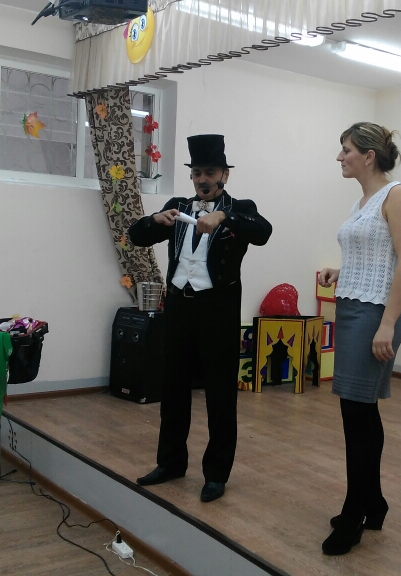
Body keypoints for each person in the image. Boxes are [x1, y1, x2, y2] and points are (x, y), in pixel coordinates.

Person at [128, 134, 272, 503]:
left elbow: (263, 232)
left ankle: (216, 473)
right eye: (197, 173)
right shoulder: (177, 207)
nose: (203, 180)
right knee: (173, 389)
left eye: (210, 173)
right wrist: (155, 220)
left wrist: (224, 216)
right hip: (179, 308)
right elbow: (136, 236)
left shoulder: (239, 209)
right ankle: (170, 463)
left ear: (224, 175)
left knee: (220, 395)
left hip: (217, 311)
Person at [317, 122, 401, 555]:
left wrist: (387, 323)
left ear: (369, 156)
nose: (340, 157)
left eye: (346, 150)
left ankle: (355, 512)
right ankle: (372, 503)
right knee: (357, 413)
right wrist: (342, 271)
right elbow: (379, 257)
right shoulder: (364, 201)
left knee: (357, 415)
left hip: (375, 315)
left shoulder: (398, 195)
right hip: (353, 308)